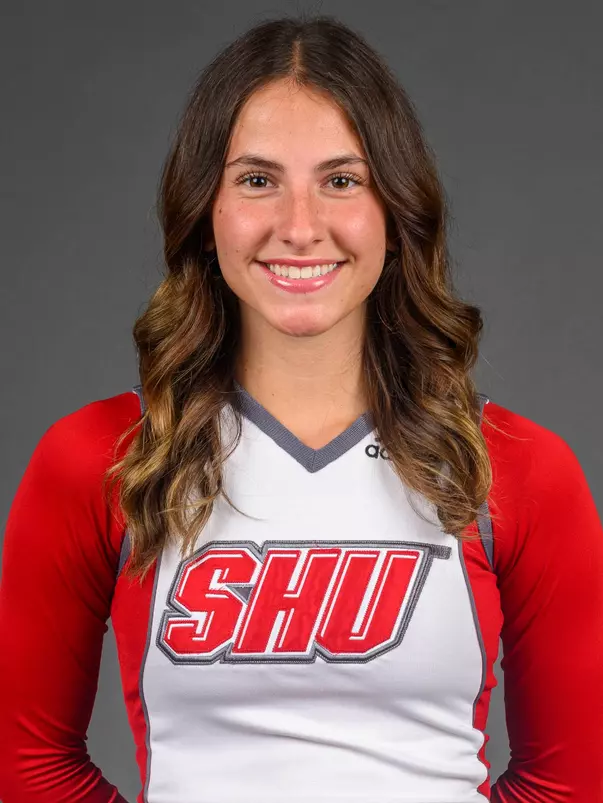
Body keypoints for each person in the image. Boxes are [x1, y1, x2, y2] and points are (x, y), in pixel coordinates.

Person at [0, 14, 602, 803]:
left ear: (394, 208)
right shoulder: (102, 459)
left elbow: (576, 782)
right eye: (256, 180)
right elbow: (26, 767)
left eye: (340, 179)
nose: (298, 227)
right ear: (204, 209)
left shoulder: (516, 468)